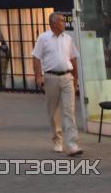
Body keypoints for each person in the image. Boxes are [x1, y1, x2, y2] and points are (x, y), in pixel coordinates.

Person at [32, 12, 82, 155]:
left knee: (69, 110)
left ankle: (72, 144)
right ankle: (57, 140)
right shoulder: (43, 38)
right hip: (51, 77)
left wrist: (76, 80)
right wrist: (38, 77)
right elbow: (36, 57)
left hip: (67, 77)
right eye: (61, 21)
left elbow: (73, 59)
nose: (64, 23)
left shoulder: (68, 38)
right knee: (53, 112)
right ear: (53, 24)